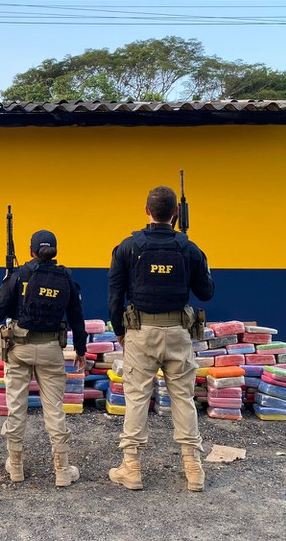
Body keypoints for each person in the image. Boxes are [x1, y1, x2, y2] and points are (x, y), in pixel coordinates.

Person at [108, 186, 214, 492]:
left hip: (140, 333)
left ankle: (132, 469)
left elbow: (114, 297)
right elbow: (206, 292)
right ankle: (193, 469)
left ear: (146, 210)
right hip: (179, 333)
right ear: (176, 214)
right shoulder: (189, 249)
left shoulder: (127, 247)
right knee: (183, 397)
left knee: (137, 397)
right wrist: (201, 261)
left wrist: (119, 331)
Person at [0, 229, 87, 487]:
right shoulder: (65, 276)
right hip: (50, 350)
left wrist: (6, 283)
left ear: (31, 251)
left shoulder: (19, 275)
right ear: (54, 251)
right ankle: (63, 470)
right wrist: (81, 350)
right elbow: (77, 317)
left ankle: (16, 467)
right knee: (54, 408)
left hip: (18, 348)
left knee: (17, 407)